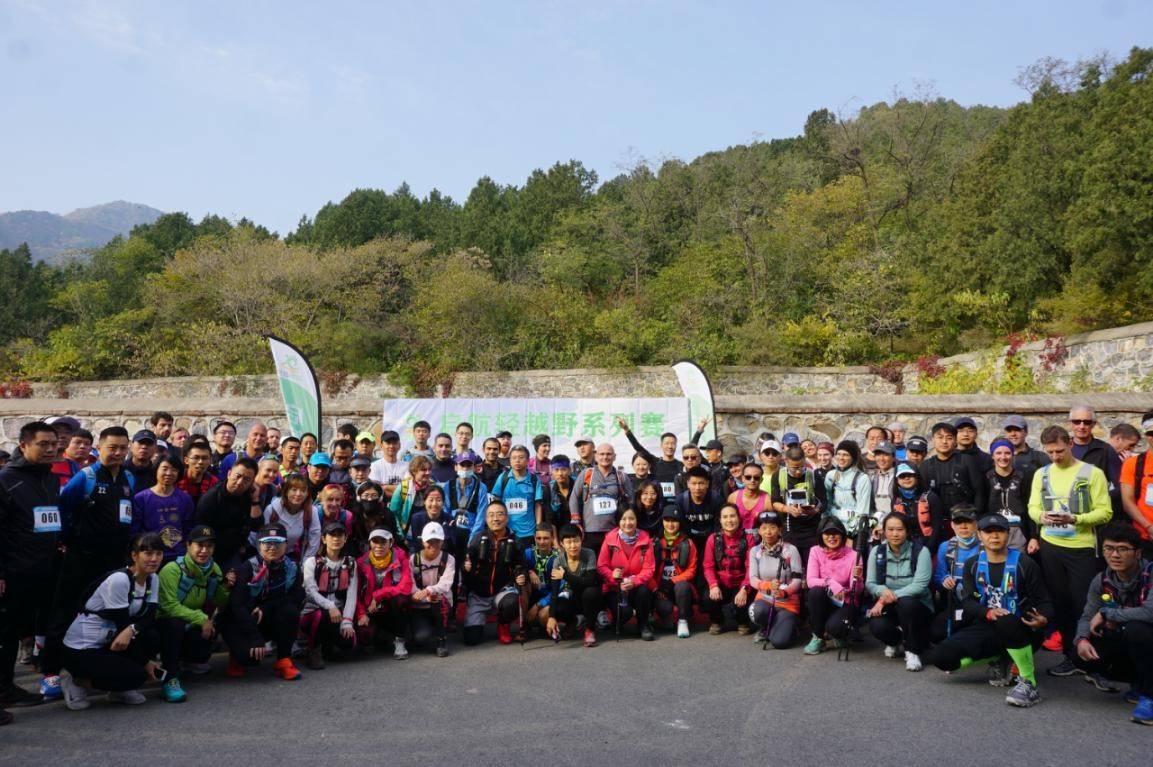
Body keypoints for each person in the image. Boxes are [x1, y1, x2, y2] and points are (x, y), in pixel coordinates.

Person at [41, 426, 138, 698]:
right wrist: (70, 541)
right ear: (100, 448)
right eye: (112, 447)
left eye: (123, 448)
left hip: (113, 563)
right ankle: (50, 672)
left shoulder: (129, 477)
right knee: (64, 612)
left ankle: (103, 675)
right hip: (81, 558)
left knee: (110, 616)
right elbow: (63, 509)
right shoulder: (86, 477)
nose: (118, 453)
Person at [931, 514, 1054, 708]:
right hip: (988, 624)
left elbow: (1045, 601)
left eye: (1000, 531)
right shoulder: (972, 564)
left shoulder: (1025, 563)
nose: (994, 536)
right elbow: (968, 601)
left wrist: (1044, 619)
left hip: (1021, 628)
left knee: (1005, 619)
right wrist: (987, 612)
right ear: (979, 535)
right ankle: (1001, 657)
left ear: (1008, 534)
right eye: (988, 532)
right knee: (941, 657)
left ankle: (1028, 682)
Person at [1028, 425, 1112, 677]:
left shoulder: (1092, 473)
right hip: (1051, 547)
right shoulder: (1041, 473)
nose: (1055, 456)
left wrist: (1075, 519)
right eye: (1050, 452)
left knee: (1084, 604)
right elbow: (1032, 507)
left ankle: (1092, 660)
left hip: (1081, 548)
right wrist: (1041, 517)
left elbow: (1105, 512)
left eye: (1060, 451)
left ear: (1070, 445)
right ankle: (1070, 656)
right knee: (1060, 604)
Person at [57, 532, 164, 711]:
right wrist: (146, 663)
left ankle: (118, 689)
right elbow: (122, 624)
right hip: (82, 649)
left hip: (110, 640)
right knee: (137, 675)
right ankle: (75, 680)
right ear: (134, 555)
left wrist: (132, 629)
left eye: (158, 553)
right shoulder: (120, 580)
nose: (154, 559)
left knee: (151, 636)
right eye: (148, 553)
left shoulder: (153, 578)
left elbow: (149, 616)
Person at [0, 421, 62, 710]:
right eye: (43, 444)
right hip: (14, 571)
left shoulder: (51, 479)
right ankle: (3, 691)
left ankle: (7, 687)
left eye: (54, 444)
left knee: (20, 630)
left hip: (43, 568)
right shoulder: (6, 480)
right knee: (5, 634)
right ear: (24, 445)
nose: (50, 449)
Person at [1073, 523, 1153, 724]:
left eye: (1122, 549)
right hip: (1129, 640)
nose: (1115, 555)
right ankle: (1139, 681)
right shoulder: (1101, 580)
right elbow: (1087, 616)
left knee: (1136, 630)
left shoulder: (1150, 574)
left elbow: (1150, 612)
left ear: (1137, 553)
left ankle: (1149, 696)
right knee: (1080, 654)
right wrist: (1081, 640)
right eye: (1109, 548)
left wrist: (1107, 613)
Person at [156, 524, 233, 703]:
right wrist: (202, 618)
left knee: (203, 648)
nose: (204, 551)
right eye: (199, 545)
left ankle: (184, 662)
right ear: (188, 545)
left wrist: (225, 587)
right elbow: (168, 606)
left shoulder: (214, 569)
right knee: (175, 624)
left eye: (209, 546)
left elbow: (218, 601)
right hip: (164, 625)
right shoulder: (172, 570)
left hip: (190, 623)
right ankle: (169, 678)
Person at [220, 523, 304, 680]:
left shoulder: (292, 567)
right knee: (249, 658)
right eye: (267, 543)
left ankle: (284, 660)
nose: (272, 547)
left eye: (277, 543)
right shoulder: (247, 568)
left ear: (286, 544)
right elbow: (237, 606)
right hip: (241, 620)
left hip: (265, 616)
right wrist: (255, 638)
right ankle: (236, 655)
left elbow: (297, 597)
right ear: (259, 544)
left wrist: (266, 607)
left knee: (290, 611)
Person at [865, 512, 933, 671]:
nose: (895, 534)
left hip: (917, 606)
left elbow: (920, 585)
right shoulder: (877, 552)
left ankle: (912, 650)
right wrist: (882, 591)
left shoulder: (921, 551)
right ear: (884, 531)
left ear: (907, 531)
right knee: (876, 626)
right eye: (890, 529)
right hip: (889, 605)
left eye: (900, 529)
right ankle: (895, 641)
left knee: (906, 603)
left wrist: (884, 599)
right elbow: (870, 583)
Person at [301, 522, 359, 670]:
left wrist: (347, 620)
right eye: (332, 535)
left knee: (349, 643)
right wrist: (330, 605)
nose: (336, 539)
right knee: (321, 615)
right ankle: (313, 650)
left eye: (340, 535)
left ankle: (327, 644)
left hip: (338, 613)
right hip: (312, 612)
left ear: (345, 539)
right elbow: (310, 591)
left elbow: (351, 594)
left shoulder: (350, 563)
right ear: (324, 539)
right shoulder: (312, 562)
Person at [462, 502, 522, 645]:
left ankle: (503, 624)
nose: (495, 518)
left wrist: (521, 574)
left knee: (512, 602)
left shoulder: (515, 540)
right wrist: (466, 568)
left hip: (502, 591)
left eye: (500, 514)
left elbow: (521, 565)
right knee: (471, 639)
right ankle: (478, 620)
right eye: (491, 515)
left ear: (507, 518)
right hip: (479, 595)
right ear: (486, 519)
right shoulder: (477, 539)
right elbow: (466, 565)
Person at [803, 517, 863, 655]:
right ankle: (818, 637)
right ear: (821, 535)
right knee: (815, 592)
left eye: (835, 533)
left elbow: (857, 591)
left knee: (835, 628)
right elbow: (810, 580)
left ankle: (838, 634)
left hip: (845, 601)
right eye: (827, 533)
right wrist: (831, 583)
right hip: (824, 599)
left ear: (842, 535)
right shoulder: (815, 551)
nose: (831, 537)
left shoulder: (854, 555)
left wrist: (858, 579)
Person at [597, 506, 656, 640]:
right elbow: (601, 565)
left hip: (636, 586)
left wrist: (634, 581)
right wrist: (612, 576)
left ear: (637, 520)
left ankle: (644, 625)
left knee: (644, 591)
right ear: (618, 521)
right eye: (623, 519)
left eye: (631, 519)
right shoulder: (610, 539)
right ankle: (617, 622)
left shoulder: (645, 540)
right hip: (615, 588)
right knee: (625, 612)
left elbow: (649, 569)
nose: (628, 523)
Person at [747, 511, 804, 649]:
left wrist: (784, 592)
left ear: (780, 529)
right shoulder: (755, 551)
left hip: (787, 602)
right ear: (759, 530)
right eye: (764, 528)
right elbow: (753, 579)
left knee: (780, 642)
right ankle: (766, 627)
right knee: (756, 611)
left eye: (773, 527)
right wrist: (768, 586)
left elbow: (797, 580)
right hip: (765, 599)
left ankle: (789, 627)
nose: (768, 532)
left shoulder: (791, 550)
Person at [193, 457, 260, 571]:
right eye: (237, 476)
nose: (240, 482)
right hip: (209, 550)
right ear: (229, 474)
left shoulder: (249, 496)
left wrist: (255, 500)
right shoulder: (211, 498)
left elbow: (256, 526)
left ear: (252, 482)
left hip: (234, 550)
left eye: (247, 479)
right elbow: (200, 530)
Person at [929, 504, 983, 644]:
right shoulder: (945, 547)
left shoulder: (986, 545)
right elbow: (938, 576)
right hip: (956, 602)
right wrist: (945, 579)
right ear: (952, 525)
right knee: (935, 633)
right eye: (958, 522)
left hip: (981, 603)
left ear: (976, 524)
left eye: (968, 522)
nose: (963, 526)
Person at [356, 528, 412, 657]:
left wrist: (378, 594)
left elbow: (406, 586)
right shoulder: (360, 563)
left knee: (401, 600)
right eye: (375, 541)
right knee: (365, 636)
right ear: (369, 543)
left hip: (392, 608)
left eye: (383, 542)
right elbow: (355, 592)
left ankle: (399, 640)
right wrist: (361, 613)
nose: (379, 545)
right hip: (371, 609)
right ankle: (382, 635)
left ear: (391, 543)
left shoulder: (401, 558)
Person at [569, 442, 631, 554]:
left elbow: (631, 501)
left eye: (608, 454)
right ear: (596, 456)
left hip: (614, 531)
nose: (605, 457)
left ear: (614, 456)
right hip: (589, 531)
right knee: (592, 563)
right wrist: (575, 521)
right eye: (601, 454)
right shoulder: (586, 474)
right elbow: (574, 497)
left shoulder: (621, 476)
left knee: (612, 564)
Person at [132, 455, 195, 562]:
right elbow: (135, 532)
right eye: (164, 468)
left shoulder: (185, 498)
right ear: (156, 470)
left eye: (174, 470)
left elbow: (189, 528)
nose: (169, 473)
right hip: (150, 556)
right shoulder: (141, 498)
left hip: (179, 556)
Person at [545, 525, 601, 647]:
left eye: (576, 541)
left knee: (591, 592)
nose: (573, 545)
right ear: (562, 544)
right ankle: (572, 622)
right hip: (572, 596)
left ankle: (590, 629)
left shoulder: (589, 554)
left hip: (590, 596)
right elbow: (554, 592)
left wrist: (565, 575)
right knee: (559, 606)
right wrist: (551, 617)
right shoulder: (558, 561)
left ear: (581, 540)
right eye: (568, 542)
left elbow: (591, 581)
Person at [702, 504, 754, 635]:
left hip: (741, 583)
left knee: (744, 599)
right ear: (720, 520)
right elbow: (708, 566)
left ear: (739, 518)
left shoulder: (749, 539)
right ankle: (717, 621)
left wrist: (745, 588)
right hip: (721, 583)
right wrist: (713, 585)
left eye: (732, 516)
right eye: (725, 517)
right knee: (708, 596)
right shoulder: (713, 539)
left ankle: (743, 622)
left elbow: (751, 567)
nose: (729, 520)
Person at [770, 447, 824, 567]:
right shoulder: (778, 476)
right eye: (794, 468)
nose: (798, 471)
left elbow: (823, 502)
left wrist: (814, 510)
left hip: (811, 529)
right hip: (789, 528)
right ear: (786, 462)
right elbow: (774, 502)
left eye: (801, 466)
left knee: (811, 565)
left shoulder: (814, 475)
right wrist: (788, 509)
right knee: (792, 566)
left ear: (805, 460)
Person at [919, 421, 986, 516]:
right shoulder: (926, 466)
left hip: (965, 518)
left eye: (949, 438)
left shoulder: (967, 461)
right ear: (933, 439)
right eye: (940, 437)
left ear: (955, 440)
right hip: (936, 518)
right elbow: (921, 496)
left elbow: (980, 492)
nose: (944, 441)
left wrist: (976, 516)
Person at [651, 506, 697, 638]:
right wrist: (655, 588)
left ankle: (683, 621)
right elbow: (648, 570)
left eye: (674, 521)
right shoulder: (654, 543)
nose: (670, 524)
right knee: (664, 607)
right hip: (660, 588)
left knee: (682, 586)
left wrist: (673, 581)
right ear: (662, 521)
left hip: (679, 587)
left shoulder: (688, 543)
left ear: (680, 522)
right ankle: (664, 618)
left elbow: (692, 570)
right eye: (667, 520)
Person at [410, 522, 455, 657]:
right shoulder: (413, 559)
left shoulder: (449, 559)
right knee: (420, 638)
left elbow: (445, 584)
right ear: (423, 541)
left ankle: (442, 639)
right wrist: (425, 597)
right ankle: (430, 633)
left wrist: (429, 590)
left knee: (438, 599)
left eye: (437, 541)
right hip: (420, 605)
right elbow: (411, 587)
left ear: (442, 542)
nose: (433, 545)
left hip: (441, 602)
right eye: (429, 541)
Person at [986, 437, 1038, 553]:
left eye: (1007, 453)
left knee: (1016, 562)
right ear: (992, 455)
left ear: (1013, 454)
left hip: (1018, 532)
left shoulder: (1023, 478)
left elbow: (1030, 507)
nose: (1003, 457)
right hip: (993, 530)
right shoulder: (986, 478)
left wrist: (1033, 537)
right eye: (998, 453)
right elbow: (982, 508)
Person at [486, 445, 544, 547]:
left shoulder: (534, 479)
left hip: (528, 532)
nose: (517, 461)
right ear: (510, 460)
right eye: (514, 458)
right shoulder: (503, 477)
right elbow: (496, 502)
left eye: (521, 457)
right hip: (506, 531)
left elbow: (538, 505)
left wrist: (538, 528)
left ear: (527, 460)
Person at [259, 474, 321, 564]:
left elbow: (315, 538)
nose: (298, 494)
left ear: (307, 493)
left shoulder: (311, 511)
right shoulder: (272, 510)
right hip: (266, 557)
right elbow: (259, 536)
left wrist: (306, 563)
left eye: (303, 490)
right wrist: (265, 560)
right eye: (294, 490)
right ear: (286, 491)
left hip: (289, 556)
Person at [1118, 411, 1153, 555]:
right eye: (1151, 433)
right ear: (1145, 434)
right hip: (1144, 536)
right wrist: (1149, 527)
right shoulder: (1133, 464)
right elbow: (1127, 502)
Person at [823, 440, 872, 538]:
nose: (841, 458)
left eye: (845, 455)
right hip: (833, 528)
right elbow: (827, 504)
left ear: (853, 458)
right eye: (839, 454)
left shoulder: (862, 479)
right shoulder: (830, 475)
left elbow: (862, 512)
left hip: (852, 531)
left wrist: (850, 535)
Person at [890, 463, 945, 547]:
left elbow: (937, 526)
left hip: (929, 544)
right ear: (897, 480)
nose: (906, 478)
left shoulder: (931, 498)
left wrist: (928, 549)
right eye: (902, 476)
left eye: (910, 475)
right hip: (905, 546)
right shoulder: (895, 501)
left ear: (917, 477)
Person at [390, 455, 434, 536]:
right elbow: (393, 512)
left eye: (429, 469)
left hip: (429, 532)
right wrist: (400, 534)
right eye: (424, 470)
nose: (428, 472)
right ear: (414, 471)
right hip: (408, 533)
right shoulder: (404, 487)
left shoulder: (433, 486)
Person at [368, 430, 408, 502]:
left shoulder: (407, 466)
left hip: (403, 506)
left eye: (394, 443)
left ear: (399, 445)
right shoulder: (374, 466)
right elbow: (376, 490)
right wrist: (400, 491)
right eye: (388, 443)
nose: (391, 446)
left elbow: (408, 489)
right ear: (381, 445)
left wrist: (385, 487)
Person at [731, 460, 770, 534]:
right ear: (743, 478)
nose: (752, 480)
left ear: (761, 480)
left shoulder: (767, 500)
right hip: (737, 538)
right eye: (748, 477)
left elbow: (771, 525)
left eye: (756, 477)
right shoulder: (733, 497)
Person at [176, 440, 217, 508]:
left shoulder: (214, 482)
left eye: (205, 458)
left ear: (210, 461)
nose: (200, 462)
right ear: (186, 460)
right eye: (196, 458)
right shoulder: (177, 479)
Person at [543, 453, 574, 530]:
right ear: (551, 471)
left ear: (569, 470)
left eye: (563, 469)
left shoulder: (578, 485)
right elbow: (549, 517)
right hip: (558, 529)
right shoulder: (548, 489)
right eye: (556, 470)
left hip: (577, 528)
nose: (560, 473)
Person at [869, 441, 897, 516]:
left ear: (893, 457)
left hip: (895, 519)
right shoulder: (872, 477)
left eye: (886, 454)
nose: (881, 459)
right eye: (878, 455)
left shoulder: (898, 477)